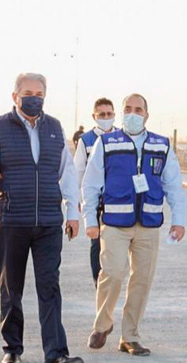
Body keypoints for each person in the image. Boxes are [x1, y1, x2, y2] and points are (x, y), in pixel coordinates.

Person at [0, 72, 84, 363]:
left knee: (50, 286)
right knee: (11, 289)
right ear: (15, 96)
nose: (34, 99)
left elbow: (67, 173)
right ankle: (12, 349)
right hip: (12, 220)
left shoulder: (55, 128)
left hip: (49, 221)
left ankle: (55, 354)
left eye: (39, 94)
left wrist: (73, 213)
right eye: (28, 93)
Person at [82, 93, 186, 356]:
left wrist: (179, 220)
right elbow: (91, 184)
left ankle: (130, 336)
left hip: (148, 224)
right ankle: (102, 325)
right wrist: (90, 219)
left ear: (146, 115)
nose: (133, 113)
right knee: (113, 273)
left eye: (138, 109)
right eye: (128, 108)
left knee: (142, 279)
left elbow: (173, 185)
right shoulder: (106, 143)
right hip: (115, 223)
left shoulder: (161, 145)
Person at [74, 97, 117, 288]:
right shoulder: (86, 140)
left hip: (118, 199)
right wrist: (79, 199)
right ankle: (99, 285)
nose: (106, 118)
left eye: (109, 114)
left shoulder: (122, 136)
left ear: (114, 115)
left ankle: (113, 283)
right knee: (97, 244)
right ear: (94, 116)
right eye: (102, 114)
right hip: (96, 201)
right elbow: (78, 171)